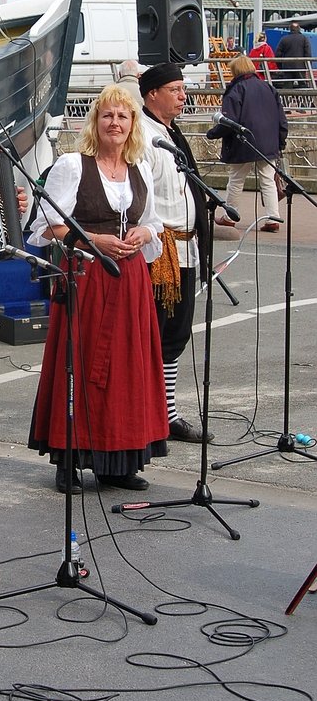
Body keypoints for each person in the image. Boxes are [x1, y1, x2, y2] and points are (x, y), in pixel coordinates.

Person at [27, 85, 167, 493]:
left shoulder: (140, 169)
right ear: (95, 122)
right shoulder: (73, 165)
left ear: (133, 125)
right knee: (80, 365)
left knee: (128, 369)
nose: (115, 123)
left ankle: (118, 462)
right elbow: (45, 228)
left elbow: (154, 224)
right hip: (86, 279)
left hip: (129, 283)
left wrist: (142, 231)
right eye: (107, 115)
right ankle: (68, 460)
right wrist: (91, 239)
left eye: (123, 117)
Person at [140, 62, 212, 445]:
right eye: (176, 89)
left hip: (186, 248)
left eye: (183, 89)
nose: (183, 96)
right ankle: (150, 415)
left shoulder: (173, 135)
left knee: (178, 334)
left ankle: (167, 413)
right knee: (156, 334)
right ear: (153, 93)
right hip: (160, 251)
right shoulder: (145, 137)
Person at [206, 54, 287, 233]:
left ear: (236, 71)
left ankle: (230, 216)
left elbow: (229, 120)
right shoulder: (268, 87)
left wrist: (213, 133)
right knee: (267, 180)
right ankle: (273, 218)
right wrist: (280, 141)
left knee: (236, 179)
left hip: (243, 142)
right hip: (268, 143)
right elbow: (281, 119)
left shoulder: (236, 90)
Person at [274, 21, 312, 87]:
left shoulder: (284, 39)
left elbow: (277, 54)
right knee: (302, 86)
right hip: (300, 67)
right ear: (299, 28)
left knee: (287, 86)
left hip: (287, 66)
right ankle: (303, 97)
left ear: (290, 29)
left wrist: (281, 66)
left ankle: (287, 97)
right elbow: (308, 54)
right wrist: (308, 67)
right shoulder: (304, 39)